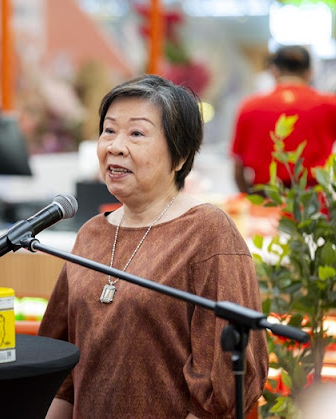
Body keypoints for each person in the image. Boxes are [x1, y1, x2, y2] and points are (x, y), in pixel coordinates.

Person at [37, 75, 268, 418]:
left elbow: (222, 388)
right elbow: (62, 372)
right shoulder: (91, 234)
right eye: (109, 130)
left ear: (180, 156)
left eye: (137, 133)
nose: (114, 146)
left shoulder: (207, 232)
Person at [231, 45, 336, 194]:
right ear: (310, 73)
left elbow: (238, 168)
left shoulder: (249, 107)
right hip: (313, 206)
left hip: (264, 203)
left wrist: (249, 199)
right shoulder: (331, 106)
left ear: (274, 71)